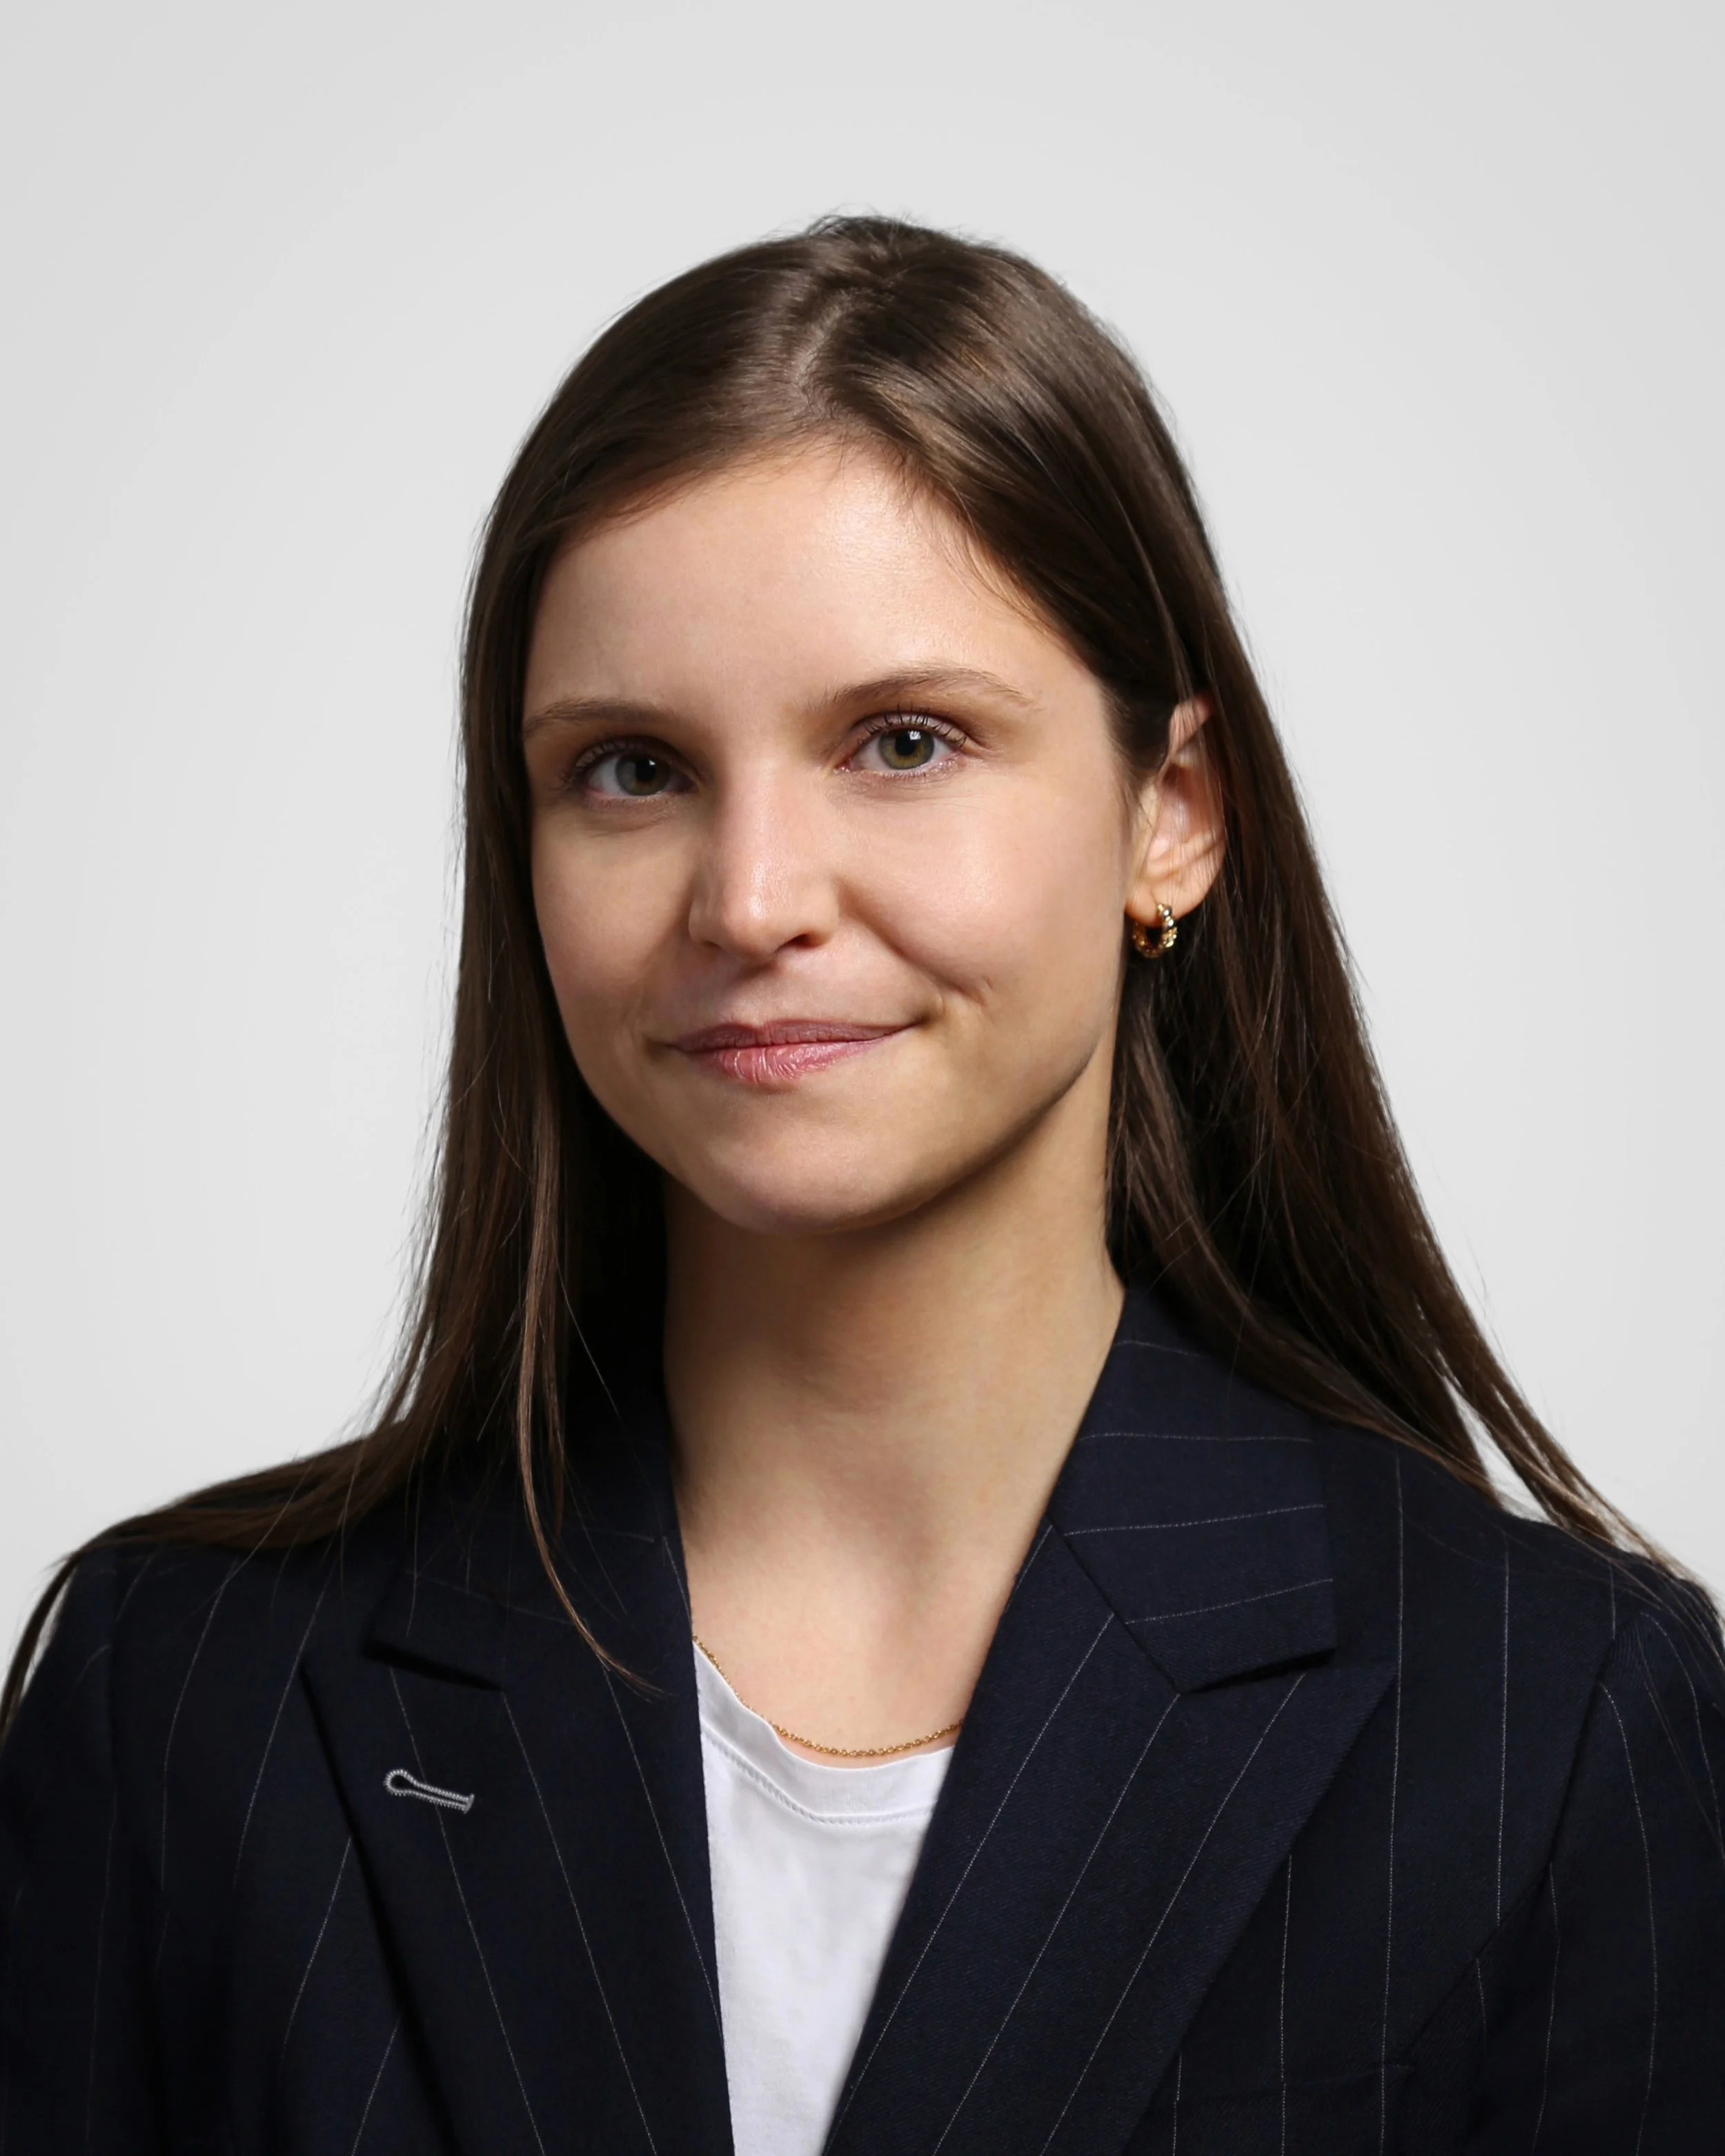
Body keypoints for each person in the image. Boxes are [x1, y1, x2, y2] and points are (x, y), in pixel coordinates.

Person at [1, 217, 1720, 2155]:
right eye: (631, 769)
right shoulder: (188, 1698)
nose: (749, 901)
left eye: (903, 742)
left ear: (1171, 814)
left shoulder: (1543, 1719)